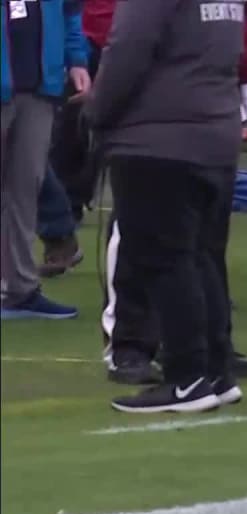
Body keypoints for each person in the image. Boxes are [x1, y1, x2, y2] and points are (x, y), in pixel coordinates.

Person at [88, 0, 247, 412]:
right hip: (215, 130)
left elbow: (128, 48)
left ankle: (187, 376)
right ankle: (215, 370)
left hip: (158, 136)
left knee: (165, 259)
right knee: (202, 257)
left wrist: (96, 112)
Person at [1, 0, 90, 321]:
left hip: (39, 87)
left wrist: (77, 59)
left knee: (26, 189)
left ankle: (19, 290)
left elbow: (70, 12)